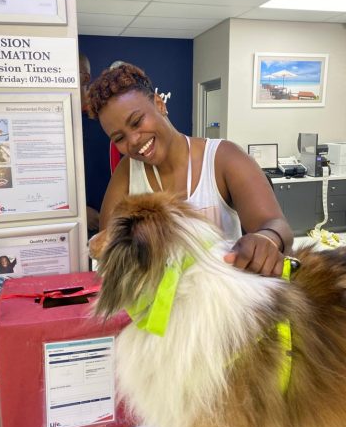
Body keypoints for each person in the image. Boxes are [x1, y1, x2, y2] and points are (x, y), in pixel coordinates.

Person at [87, 63, 293, 277]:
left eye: (137, 121)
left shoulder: (224, 158)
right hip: (159, 308)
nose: (134, 140)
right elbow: (108, 244)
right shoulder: (128, 172)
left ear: (159, 104)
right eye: (119, 138)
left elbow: (276, 224)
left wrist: (267, 239)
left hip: (223, 303)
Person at [79, 51, 100, 234]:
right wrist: (79, 209)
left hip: (104, 223)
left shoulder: (102, 121)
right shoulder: (57, 123)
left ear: (85, 77)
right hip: (68, 220)